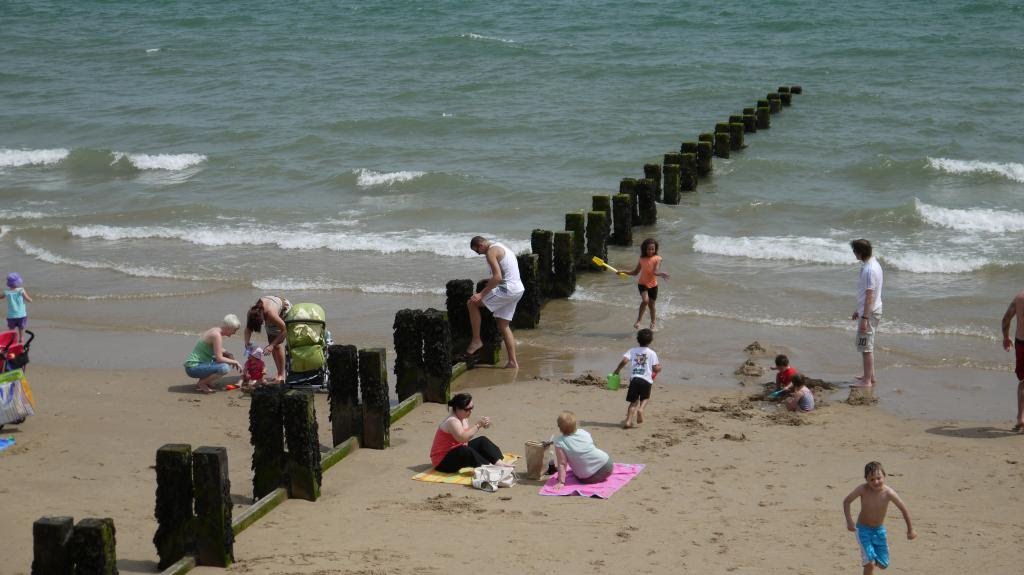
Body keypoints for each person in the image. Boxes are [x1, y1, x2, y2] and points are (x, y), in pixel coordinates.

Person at [843, 461, 916, 574]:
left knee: (883, 564)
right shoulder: (863, 489)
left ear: (884, 476)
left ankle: (871, 560)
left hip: (879, 530)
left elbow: (903, 509)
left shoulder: (889, 493)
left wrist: (910, 529)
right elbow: (847, 501)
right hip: (863, 530)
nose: (876, 482)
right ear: (866, 479)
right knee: (870, 563)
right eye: (872, 479)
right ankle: (868, 562)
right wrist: (849, 521)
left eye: (879, 478)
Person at [464, 236, 524, 369]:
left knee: (472, 303)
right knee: (503, 325)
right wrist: (489, 281)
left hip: (507, 289)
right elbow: (504, 273)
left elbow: (497, 277)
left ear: (480, 245)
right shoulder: (501, 246)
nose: (479, 254)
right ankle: (513, 362)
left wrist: (481, 294)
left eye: (477, 251)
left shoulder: (490, 252)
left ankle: (476, 340)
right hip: (518, 289)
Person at [429, 393, 511, 472]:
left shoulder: (463, 417)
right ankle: (489, 468)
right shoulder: (452, 421)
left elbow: (468, 435)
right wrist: (478, 425)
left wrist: (485, 424)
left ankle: (498, 462)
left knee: (482, 440)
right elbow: (462, 438)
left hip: (456, 452)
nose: (470, 411)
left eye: (472, 408)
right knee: (464, 450)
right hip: (441, 461)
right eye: (467, 409)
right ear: (457, 409)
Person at [612, 328, 661, 429]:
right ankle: (641, 410)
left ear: (637, 339)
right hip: (646, 380)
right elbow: (655, 368)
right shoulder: (652, 353)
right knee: (645, 398)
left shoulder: (632, 350)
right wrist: (659, 368)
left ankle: (628, 421)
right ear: (651, 341)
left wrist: (617, 370)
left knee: (633, 401)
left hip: (634, 379)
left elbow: (625, 361)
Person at [552, 411, 614, 489]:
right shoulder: (584, 433)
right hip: (608, 465)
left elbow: (562, 463)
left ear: (559, 427)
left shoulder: (559, 442)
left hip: (589, 477)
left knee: (577, 475)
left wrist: (561, 482)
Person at [851, 239, 883, 387]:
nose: (854, 254)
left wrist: (864, 317)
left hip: (869, 313)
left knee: (866, 348)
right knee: (867, 345)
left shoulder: (870, 270)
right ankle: (870, 375)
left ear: (861, 252)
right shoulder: (874, 264)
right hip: (871, 310)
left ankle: (867, 381)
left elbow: (870, 295)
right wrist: (859, 310)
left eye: (855, 252)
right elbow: (867, 295)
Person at [184, 314, 242, 394]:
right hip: (193, 367)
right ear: (229, 328)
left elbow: (217, 348)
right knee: (224, 367)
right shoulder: (216, 335)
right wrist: (235, 362)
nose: (234, 333)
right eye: (234, 330)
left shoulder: (215, 330)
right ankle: (202, 383)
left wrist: (229, 354)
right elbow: (219, 358)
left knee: (224, 361)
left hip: (195, 365)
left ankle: (205, 381)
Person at [622, 238, 670, 330]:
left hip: (653, 286)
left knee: (652, 305)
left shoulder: (658, 259)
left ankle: (653, 321)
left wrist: (661, 274)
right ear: (645, 249)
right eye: (649, 249)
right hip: (642, 284)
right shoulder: (642, 259)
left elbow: (655, 272)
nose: (651, 251)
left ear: (655, 249)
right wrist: (623, 272)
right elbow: (635, 272)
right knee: (645, 301)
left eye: (653, 249)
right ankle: (639, 320)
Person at [245, 295, 291, 383]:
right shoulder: (251, 313)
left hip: (284, 310)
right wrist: (246, 343)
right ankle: (278, 372)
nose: (264, 324)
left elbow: (284, 330)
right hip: (269, 310)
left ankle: (281, 374)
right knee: (271, 341)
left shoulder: (270, 314)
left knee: (276, 345)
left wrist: (272, 345)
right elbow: (248, 329)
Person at [1000, 288, 1024, 432]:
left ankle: (1020, 418)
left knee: (1023, 382)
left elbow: (1006, 319)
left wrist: (1006, 337)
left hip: (1021, 343)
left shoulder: (1019, 298)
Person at [3, 273, 32, 342]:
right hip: (21, 314)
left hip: (11, 316)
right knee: (21, 328)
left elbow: (0, 296)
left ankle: (11, 341)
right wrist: (30, 300)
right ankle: (21, 339)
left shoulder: (6, 292)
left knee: (11, 329)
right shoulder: (21, 290)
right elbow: (27, 298)